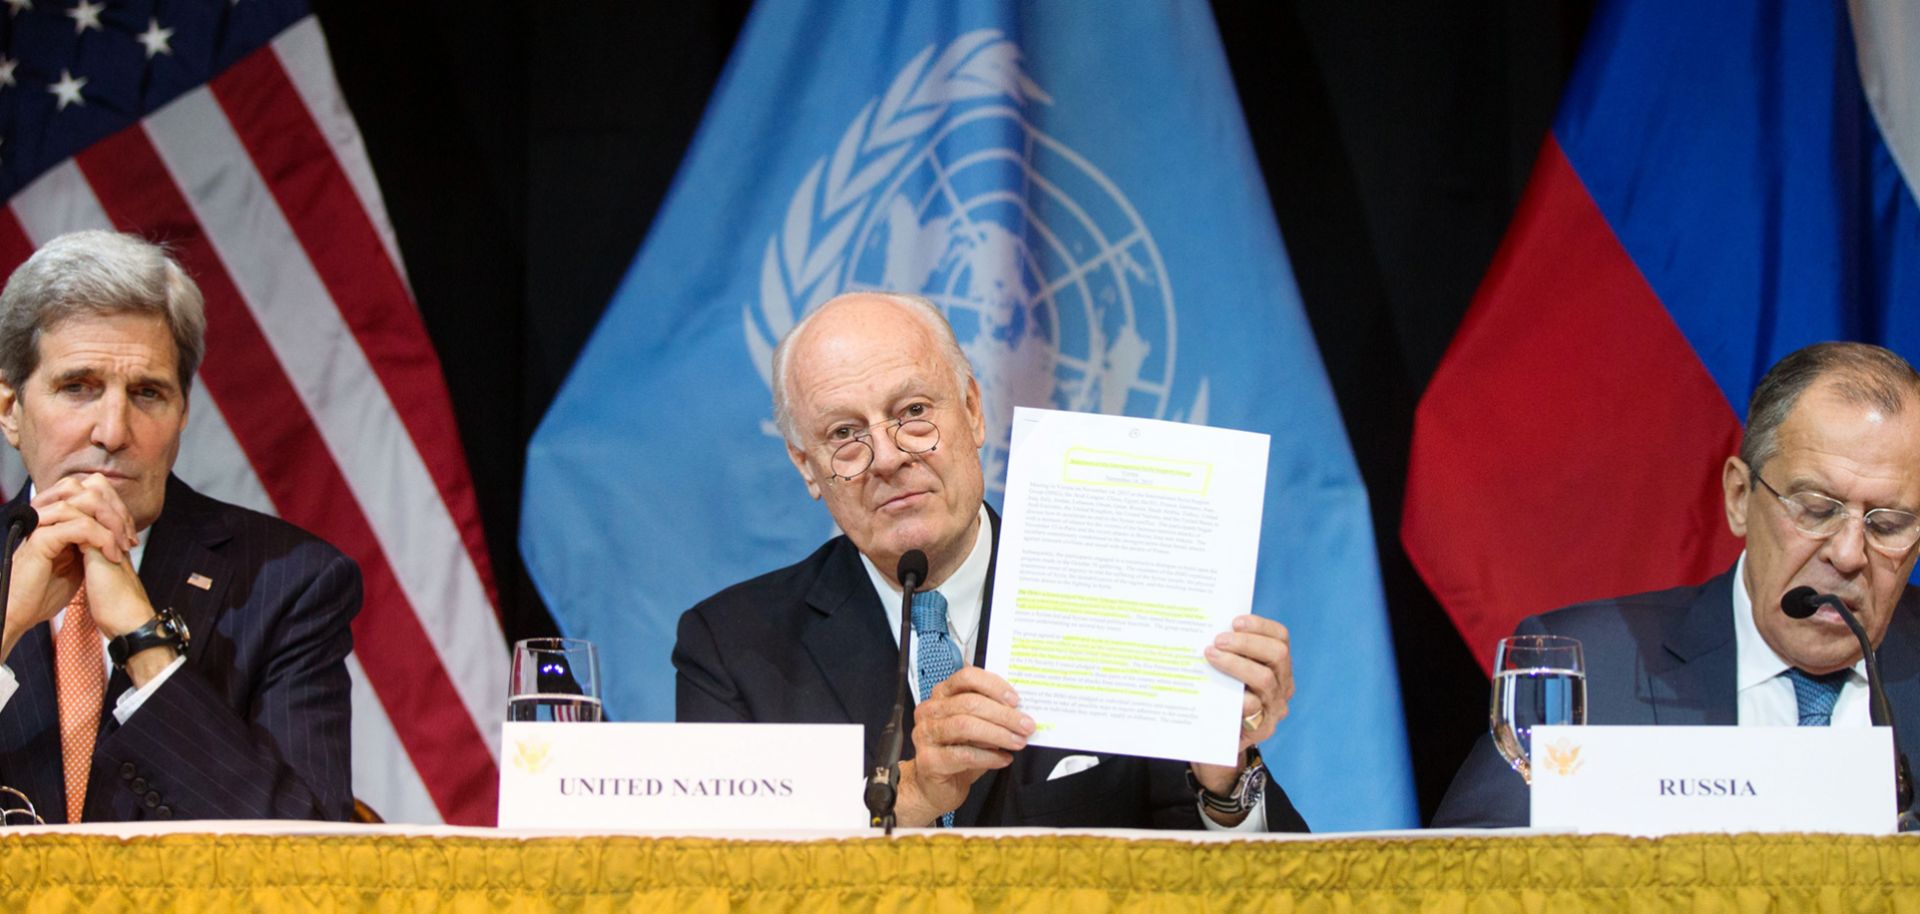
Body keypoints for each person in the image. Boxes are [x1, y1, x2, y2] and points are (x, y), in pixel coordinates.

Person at [675, 291, 1307, 830]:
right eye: (844, 435)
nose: (889, 456)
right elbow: (734, 881)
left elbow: (1265, 888)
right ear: (807, 467)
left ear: (973, 412)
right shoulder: (733, 646)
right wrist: (917, 795)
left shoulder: (1127, 597)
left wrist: (1224, 776)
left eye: (913, 413)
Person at [1433, 341, 1920, 827]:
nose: (1850, 554)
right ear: (1738, 497)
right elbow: (1463, 879)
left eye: (1889, 525)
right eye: (1816, 509)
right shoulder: (1594, 675)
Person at [0, 230, 358, 823]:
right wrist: (6, 623)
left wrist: (145, 644)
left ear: (183, 413)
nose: (112, 432)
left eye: (146, 394)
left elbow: (309, 857)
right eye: (78, 387)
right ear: (11, 409)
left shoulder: (289, 584)